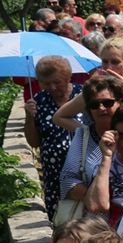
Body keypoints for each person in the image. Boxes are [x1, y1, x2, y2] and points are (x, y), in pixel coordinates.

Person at [57, 76, 123, 215]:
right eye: (94, 104)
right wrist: (97, 198)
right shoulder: (82, 135)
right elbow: (67, 180)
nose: (101, 108)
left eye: (107, 103)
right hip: (94, 219)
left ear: (120, 102)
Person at [23, 56, 83, 222]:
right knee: (59, 221)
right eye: (46, 83)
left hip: (82, 174)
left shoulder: (83, 96)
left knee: (84, 220)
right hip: (54, 175)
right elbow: (34, 142)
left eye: (57, 82)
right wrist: (29, 117)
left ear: (68, 77)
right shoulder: (39, 101)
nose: (52, 87)